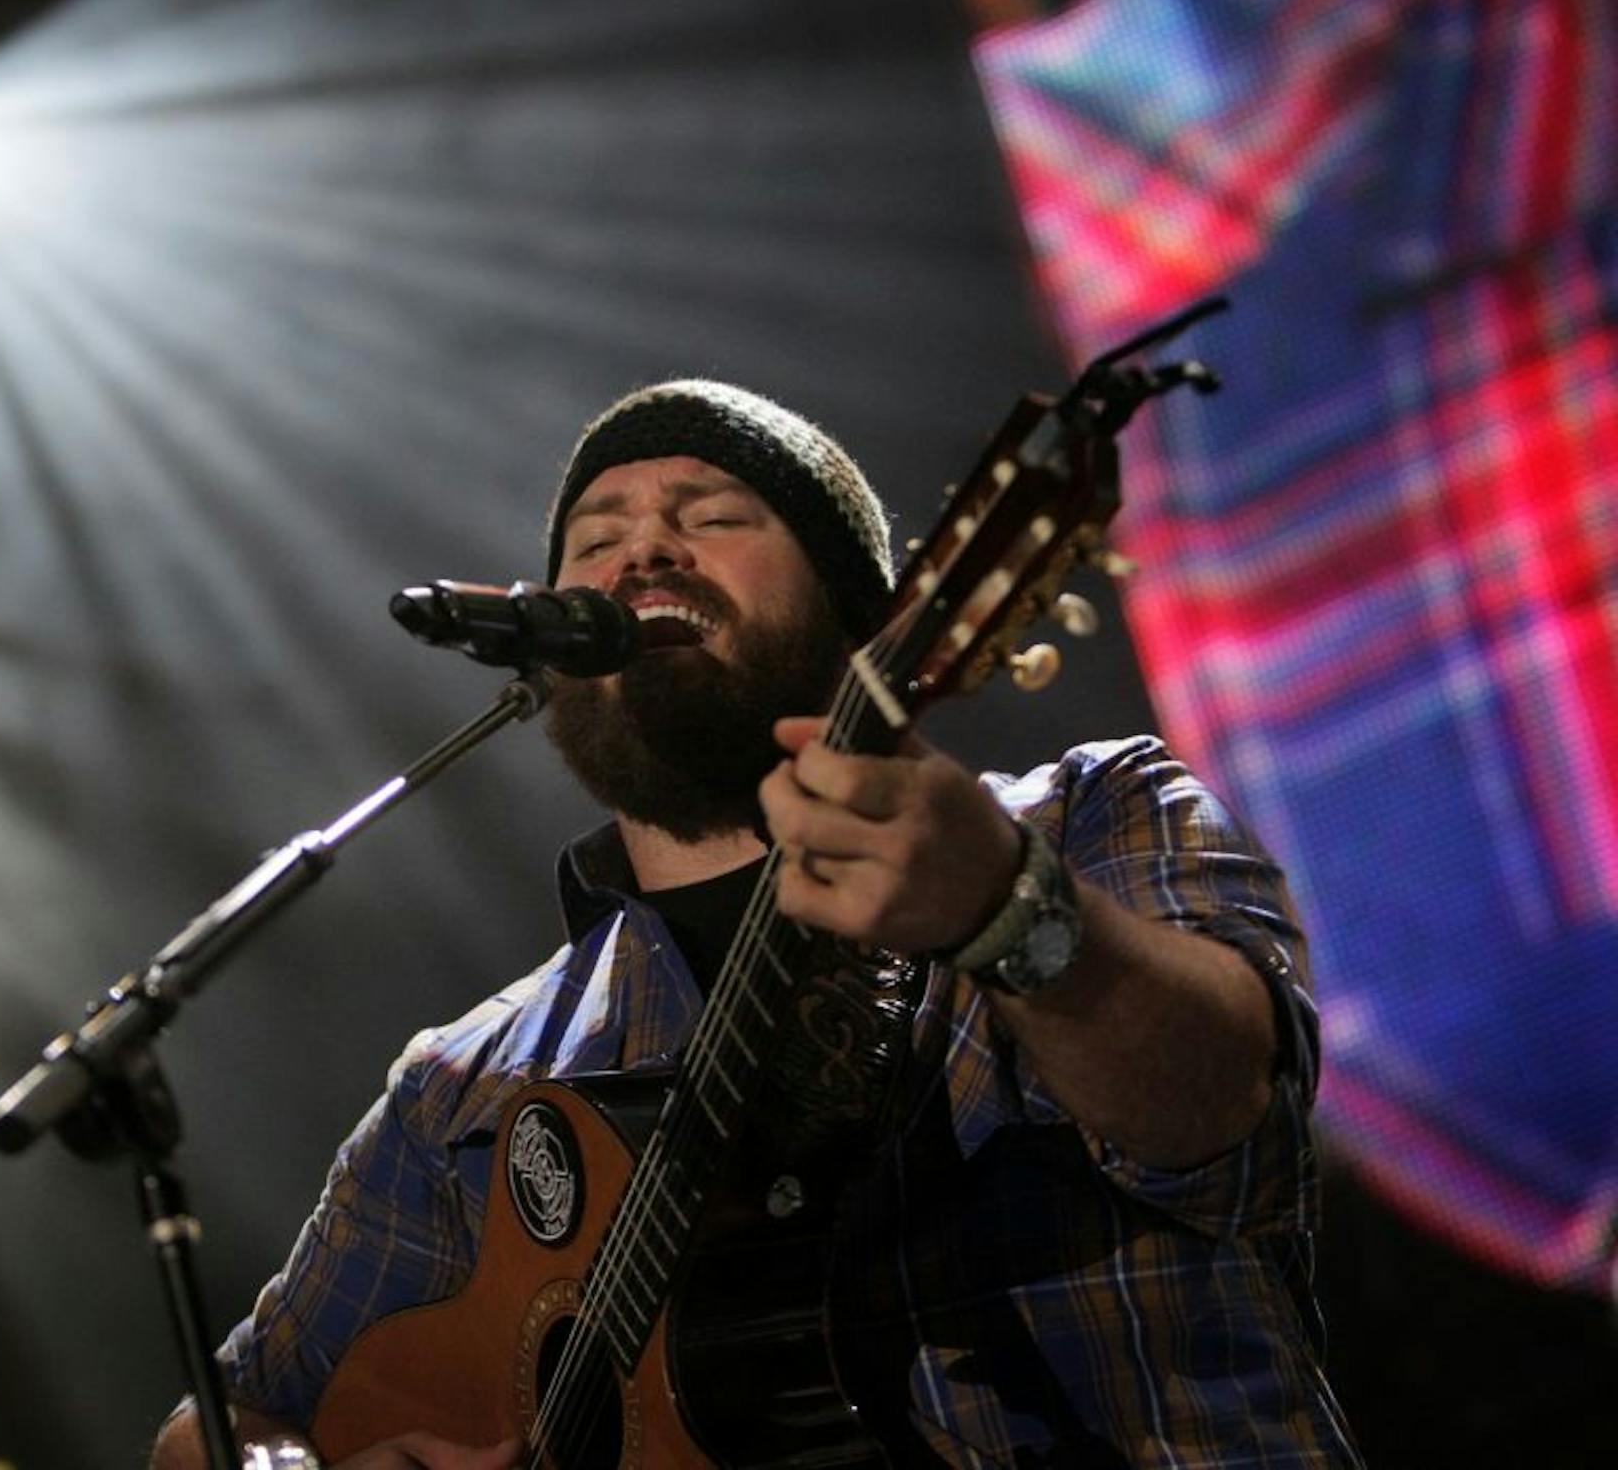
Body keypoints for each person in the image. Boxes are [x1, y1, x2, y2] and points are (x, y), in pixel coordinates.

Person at [154, 382, 1362, 1468]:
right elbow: (221, 1424)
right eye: (597, 538)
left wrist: (1008, 911)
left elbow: (1222, 1117)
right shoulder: (461, 1086)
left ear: (860, 613)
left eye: (711, 513)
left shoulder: (1092, 815)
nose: (645, 553)